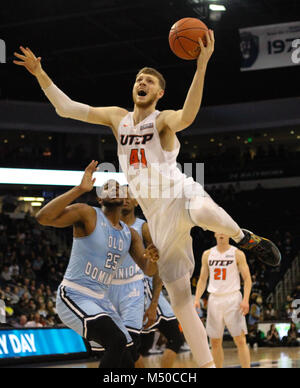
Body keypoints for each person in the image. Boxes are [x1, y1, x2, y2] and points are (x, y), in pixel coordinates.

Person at [14, 33, 281, 368]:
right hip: (157, 215)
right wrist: (40, 73)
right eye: (139, 78)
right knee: (181, 299)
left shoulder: (163, 119)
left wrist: (201, 66)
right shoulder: (116, 117)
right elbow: (67, 109)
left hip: (180, 192)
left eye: (149, 80)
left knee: (200, 208)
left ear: (159, 92)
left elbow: (188, 116)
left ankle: (245, 238)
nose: (142, 82)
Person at [35, 161, 159, 368]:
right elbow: (43, 217)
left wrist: (154, 258)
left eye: (119, 187)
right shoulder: (87, 213)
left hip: (101, 300)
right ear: (99, 197)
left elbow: (148, 269)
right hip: (75, 294)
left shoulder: (130, 234)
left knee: (128, 357)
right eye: (108, 187)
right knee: (117, 341)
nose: (115, 189)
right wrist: (79, 189)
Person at [112, 187, 183, 368]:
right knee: (130, 347)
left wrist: (153, 304)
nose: (126, 199)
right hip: (118, 292)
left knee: (176, 337)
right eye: (122, 196)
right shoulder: (108, 227)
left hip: (144, 289)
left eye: (130, 196)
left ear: (137, 202)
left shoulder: (144, 228)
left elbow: (158, 267)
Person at [194, 233, 252, 368]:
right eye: (218, 230)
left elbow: (247, 278)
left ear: (229, 234)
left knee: (240, 340)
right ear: (214, 234)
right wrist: (196, 298)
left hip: (233, 298)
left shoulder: (237, 253)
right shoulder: (207, 254)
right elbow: (202, 279)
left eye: (224, 230)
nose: (221, 233)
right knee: (214, 341)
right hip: (214, 299)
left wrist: (246, 299)